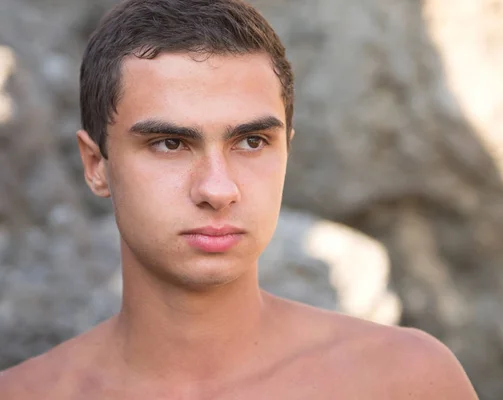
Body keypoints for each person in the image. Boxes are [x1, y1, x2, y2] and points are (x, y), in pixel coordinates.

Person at [0, 0, 478, 398]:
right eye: (170, 143)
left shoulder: (405, 380)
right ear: (96, 165)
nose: (218, 188)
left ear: (287, 149)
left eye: (251, 142)